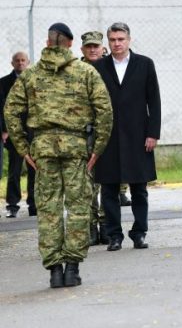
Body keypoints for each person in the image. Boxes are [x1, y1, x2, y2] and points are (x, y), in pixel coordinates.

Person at [3, 23, 113, 288]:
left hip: (43, 150)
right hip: (76, 149)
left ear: (48, 42)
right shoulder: (86, 72)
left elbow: (10, 112)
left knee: (49, 209)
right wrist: (97, 148)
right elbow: (105, 111)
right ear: (71, 43)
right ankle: (72, 268)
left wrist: (22, 148)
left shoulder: (30, 75)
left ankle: (54, 270)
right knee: (77, 207)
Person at [93, 22, 161, 251]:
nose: (117, 43)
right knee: (109, 188)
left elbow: (154, 100)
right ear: (108, 42)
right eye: (112, 40)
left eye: (121, 39)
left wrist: (153, 133)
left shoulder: (144, 64)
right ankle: (114, 235)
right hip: (108, 136)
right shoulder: (98, 67)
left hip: (138, 135)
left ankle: (139, 232)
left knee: (139, 188)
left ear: (129, 40)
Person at [80, 31, 110, 245]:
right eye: (89, 46)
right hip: (83, 132)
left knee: (108, 180)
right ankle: (91, 225)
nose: (92, 49)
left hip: (106, 131)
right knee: (87, 181)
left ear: (102, 48)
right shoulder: (75, 70)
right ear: (82, 49)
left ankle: (107, 224)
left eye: (96, 46)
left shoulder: (111, 69)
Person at [1, 51, 35, 218]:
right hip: (15, 133)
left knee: (34, 169)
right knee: (14, 170)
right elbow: (2, 108)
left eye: (23, 60)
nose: (20, 63)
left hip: (33, 132)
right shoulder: (3, 83)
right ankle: (12, 205)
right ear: (12, 63)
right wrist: (4, 130)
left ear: (28, 62)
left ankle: (33, 204)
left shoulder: (35, 80)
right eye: (17, 60)